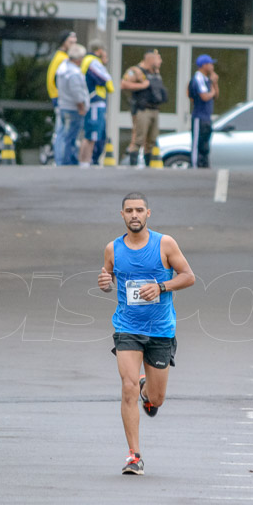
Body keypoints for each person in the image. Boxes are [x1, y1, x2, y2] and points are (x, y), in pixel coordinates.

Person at [97, 192, 195, 475]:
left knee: (156, 398)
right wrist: (104, 282)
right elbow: (107, 280)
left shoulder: (164, 243)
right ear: (122, 215)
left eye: (139, 210)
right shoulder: (112, 249)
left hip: (161, 330)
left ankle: (146, 389)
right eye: (129, 211)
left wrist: (162, 287)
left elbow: (188, 276)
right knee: (126, 387)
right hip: (127, 327)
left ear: (148, 213)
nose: (134, 215)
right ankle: (134, 456)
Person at [120, 50, 167, 168]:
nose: (160, 62)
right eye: (158, 59)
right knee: (138, 139)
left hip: (155, 109)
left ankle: (148, 166)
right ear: (150, 59)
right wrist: (142, 85)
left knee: (151, 141)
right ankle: (133, 165)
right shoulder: (136, 70)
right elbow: (124, 84)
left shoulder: (155, 72)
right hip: (142, 110)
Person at [79, 41, 114, 167]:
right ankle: (85, 162)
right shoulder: (92, 61)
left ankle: (85, 162)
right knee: (91, 135)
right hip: (94, 102)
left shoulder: (89, 60)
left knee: (93, 134)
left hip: (95, 102)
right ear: (99, 50)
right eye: (104, 51)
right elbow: (106, 80)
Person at [54, 44, 89, 166]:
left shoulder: (63, 68)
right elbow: (77, 92)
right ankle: (66, 162)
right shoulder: (73, 72)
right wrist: (81, 107)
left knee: (64, 134)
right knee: (70, 137)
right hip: (73, 109)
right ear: (78, 58)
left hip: (65, 106)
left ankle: (63, 160)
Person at [46, 30, 77, 160]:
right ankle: (62, 160)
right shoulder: (62, 58)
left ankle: (61, 159)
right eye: (71, 42)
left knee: (61, 131)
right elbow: (54, 80)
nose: (73, 45)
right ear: (64, 42)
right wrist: (59, 97)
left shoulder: (59, 56)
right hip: (61, 99)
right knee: (63, 132)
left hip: (58, 98)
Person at [188, 54, 219, 168]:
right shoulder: (198, 78)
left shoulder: (207, 80)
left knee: (205, 146)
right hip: (199, 117)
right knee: (197, 144)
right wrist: (212, 91)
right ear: (204, 65)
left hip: (207, 117)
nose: (212, 66)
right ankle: (195, 166)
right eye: (210, 64)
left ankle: (204, 166)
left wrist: (214, 83)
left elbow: (215, 96)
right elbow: (205, 96)